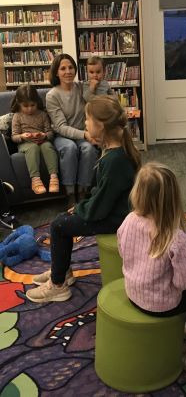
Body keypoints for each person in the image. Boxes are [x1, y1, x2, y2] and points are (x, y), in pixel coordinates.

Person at [26, 95, 141, 303]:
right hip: (113, 211)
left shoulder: (115, 160)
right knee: (64, 218)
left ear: (101, 125)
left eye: (87, 119)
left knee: (60, 225)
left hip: (118, 219)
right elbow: (99, 192)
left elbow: (101, 206)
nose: (85, 123)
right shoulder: (112, 151)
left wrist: (81, 209)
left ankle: (58, 285)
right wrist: (80, 207)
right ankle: (62, 271)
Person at [117, 162, 186, 373]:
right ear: (173, 198)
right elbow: (184, 282)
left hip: (133, 293)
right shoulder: (175, 237)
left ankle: (180, 329)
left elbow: (122, 252)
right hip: (162, 304)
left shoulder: (128, 220)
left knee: (179, 289)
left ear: (137, 192)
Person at [45, 53, 110, 203]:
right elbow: (60, 127)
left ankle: (82, 192)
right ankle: (70, 195)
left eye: (70, 67)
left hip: (84, 133)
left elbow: (100, 97)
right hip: (63, 136)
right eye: (63, 68)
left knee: (88, 149)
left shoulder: (82, 88)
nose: (68, 71)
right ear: (56, 72)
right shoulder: (52, 95)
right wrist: (85, 134)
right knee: (69, 148)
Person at [11, 84, 59, 195]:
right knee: (32, 148)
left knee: (47, 146)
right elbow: (14, 136)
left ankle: (54, 177)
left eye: (32, 105)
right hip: (26, 144)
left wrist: (44, 135)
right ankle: (35, 180)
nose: (29, 109)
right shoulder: (17, 116)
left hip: (42, 141)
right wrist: (22, 136)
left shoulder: (42, 115)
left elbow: (50, 133)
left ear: (37, 102)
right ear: (19, 104)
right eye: (25, 106)